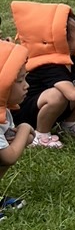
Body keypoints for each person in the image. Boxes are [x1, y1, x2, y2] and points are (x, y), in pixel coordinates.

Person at [11, 4, 75, 148]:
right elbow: (72, 94)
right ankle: (41, 135)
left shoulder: (67, 57)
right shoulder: (50, 65)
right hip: (28, 116)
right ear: (62, 41)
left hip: (52, 108)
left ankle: (68, 125)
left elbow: (70, 79)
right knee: (57, 95)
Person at [0, 41, 35, 194]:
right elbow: (9, 157)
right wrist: (25, 128)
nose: (26, 85)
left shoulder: (5, 112)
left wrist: (24, 136)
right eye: (20, 81)